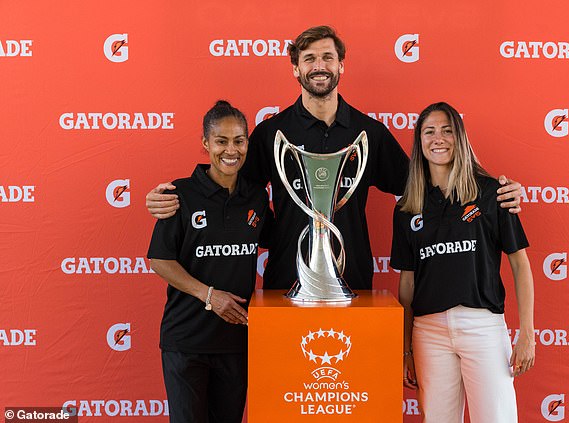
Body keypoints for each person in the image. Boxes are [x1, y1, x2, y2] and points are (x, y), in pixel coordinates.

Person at [146, 25, 523, 291]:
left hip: (352, 280)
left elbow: (425, 182)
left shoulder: (368, 133)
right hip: (285, 281)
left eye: (327, 56)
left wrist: (492, 188)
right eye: (309, 58)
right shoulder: (270, 133)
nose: (319, 65)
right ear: (296, 68)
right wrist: (175, 200)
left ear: (342, 65)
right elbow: (230, 193)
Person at [390, 102, 535, 423]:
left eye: (447, 130)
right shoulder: (406, 208)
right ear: (419, 142)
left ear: (460, 138)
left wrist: (527, 332)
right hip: (428, 333)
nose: (438, 138)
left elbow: (520, 265)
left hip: (483, 326)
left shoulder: (493, 192)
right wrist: (406, 348)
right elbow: (407, 283)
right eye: (429, 132)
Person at [147, 101, 270, 423]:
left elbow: (278, 239)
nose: (231, 150)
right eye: (221, 141)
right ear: (206, 143)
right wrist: (209, 295)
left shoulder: (256, 195)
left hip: (236, 342)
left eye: (239, 140)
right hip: (187, 341)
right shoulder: (180, 194)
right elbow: (160, 260)